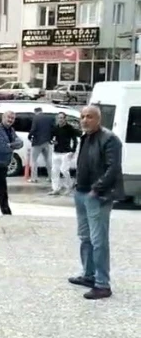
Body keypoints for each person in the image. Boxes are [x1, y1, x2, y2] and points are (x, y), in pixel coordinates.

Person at [69, 106, 123, 300]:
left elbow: (113, 168)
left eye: (89, 117)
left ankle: (102, 284)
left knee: (98, 241)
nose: (85, 120)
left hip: (97, 196)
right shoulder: (85, 137)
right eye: (83, 116)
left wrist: (97, 189)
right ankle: (89, 275)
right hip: (81, 192)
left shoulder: (109, 139)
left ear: (98, 119)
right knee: (85, 237)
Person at [50, 112, 79, 195]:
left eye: (62, 118)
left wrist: (73, 151)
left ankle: (69, 186)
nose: (60, 119)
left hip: (66, 152)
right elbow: (50, 138)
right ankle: (56, 189)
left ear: (65, 119)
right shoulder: (55, 128)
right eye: (59, 118)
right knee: (54, 171)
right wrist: (52, 141)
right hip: (56, 152)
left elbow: (75, 140)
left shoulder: (69, 128)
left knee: (64, 170)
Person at [28, 107, 54, 183]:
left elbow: (33, 129)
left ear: (35, 112)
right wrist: (50, 138)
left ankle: (34, 178)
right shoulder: (48, 118)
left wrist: (29, 136)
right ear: (41, 111)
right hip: (46, 142)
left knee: (34, 160)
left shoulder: (36, 118)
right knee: (47, 160)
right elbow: (52, 129)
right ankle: (50, 177)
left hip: (37, 142)